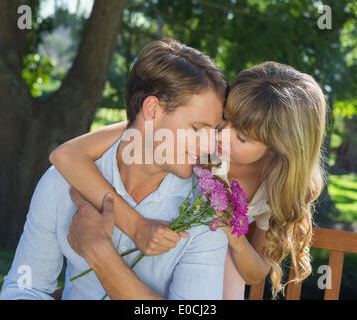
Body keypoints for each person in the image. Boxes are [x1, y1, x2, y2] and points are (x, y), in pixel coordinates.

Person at [50, 61, 328, 299]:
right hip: (145, 251)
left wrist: (237, 239)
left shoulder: (271, 188)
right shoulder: (187, 133)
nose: (221, 136)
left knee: (227, 261)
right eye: (225, 118)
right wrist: (137, 227)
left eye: (242, 137)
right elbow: (66, 155)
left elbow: (256, 273)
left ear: (278, 148)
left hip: (202, 277)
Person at [0, 38, 230, 300]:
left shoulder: (205, 215)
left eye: (213, 131)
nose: (210, 145)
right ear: (153, 110)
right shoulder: (61, 184)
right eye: (198, 129)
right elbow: (26, 287)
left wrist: (100, 254)